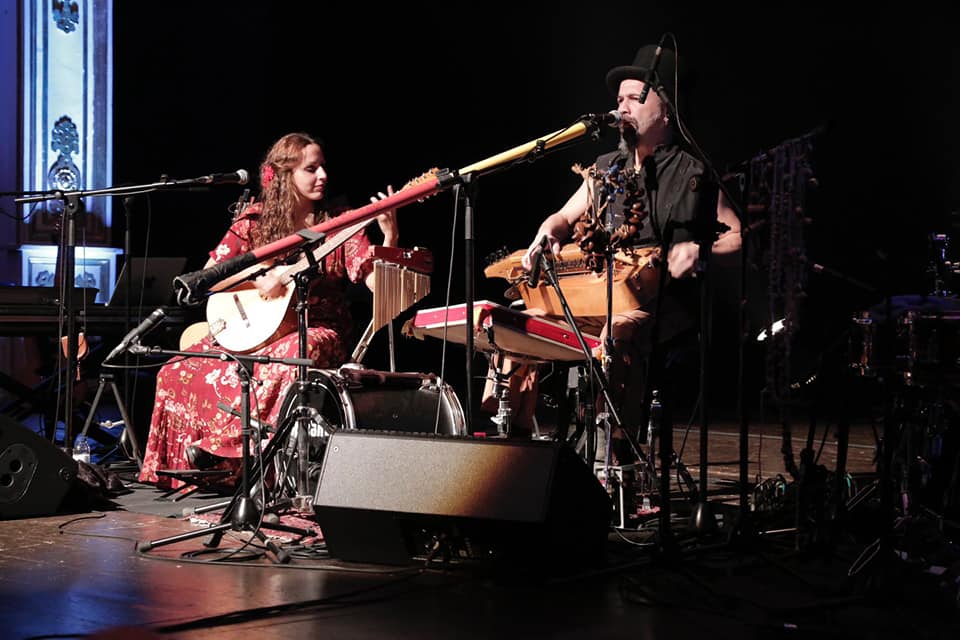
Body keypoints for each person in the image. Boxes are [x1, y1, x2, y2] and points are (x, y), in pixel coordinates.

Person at [482, 43, 741, 463]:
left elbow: (740, 238)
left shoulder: (695, 172)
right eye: (617, 99)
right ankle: (510, 445)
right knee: (514, 326)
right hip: (597, 291)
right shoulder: (604, 168)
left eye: (633, 98)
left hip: (661, 300)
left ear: (666, 109)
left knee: (620, 329)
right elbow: (561, 218)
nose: (620, 106)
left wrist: (699, 248)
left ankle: (614, 458)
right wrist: (546, 233)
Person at [138, 132, 398, 489]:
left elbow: (377, 287)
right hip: (255, 331)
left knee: (290, 356)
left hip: (316, 329)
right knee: (175, 370)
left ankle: (231, 455)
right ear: (284, 175)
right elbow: (210, 277)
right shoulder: (254, 222)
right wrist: (257, 278)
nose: (322, 175)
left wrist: (389, 240)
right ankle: (193, 469)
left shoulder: (341, 224)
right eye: (311, 168)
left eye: (324, 167)